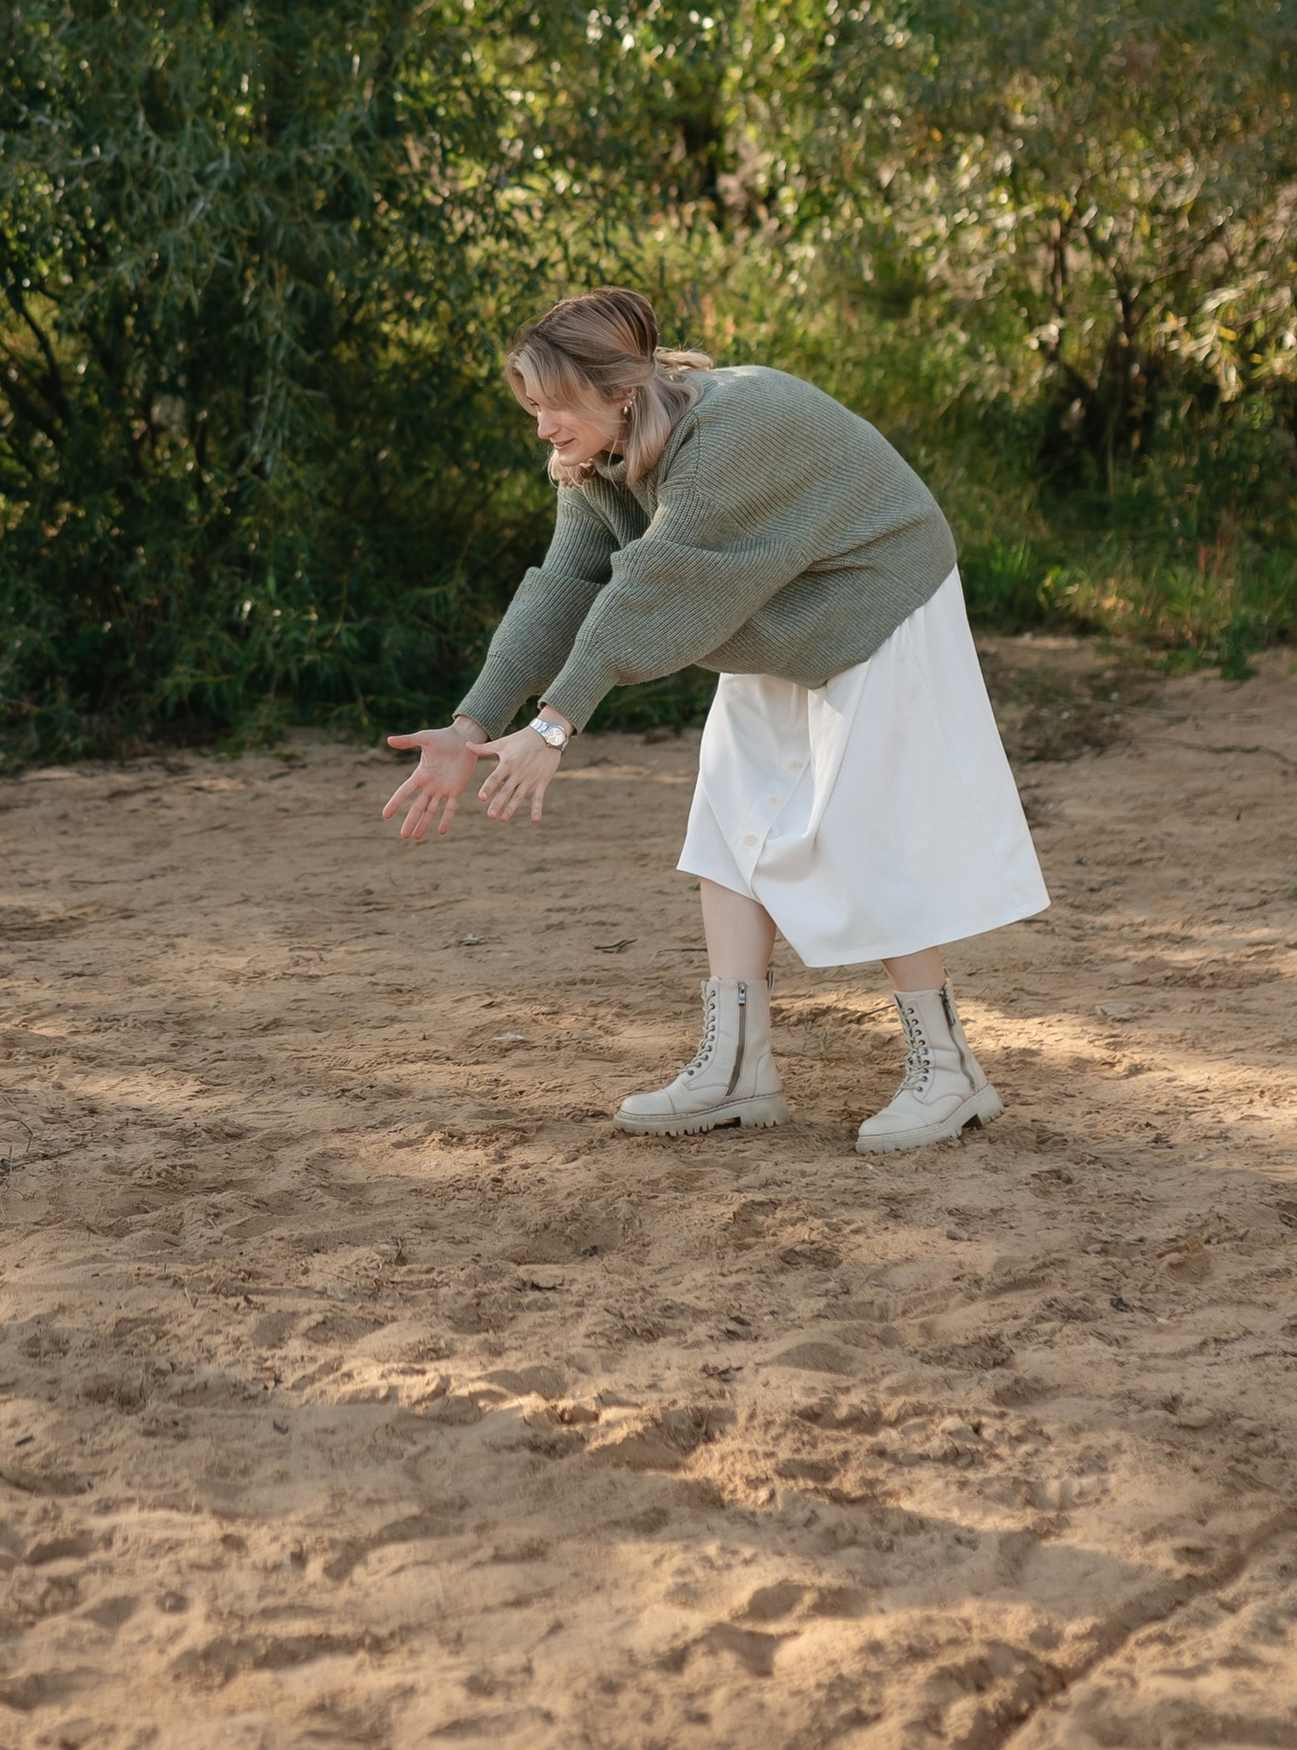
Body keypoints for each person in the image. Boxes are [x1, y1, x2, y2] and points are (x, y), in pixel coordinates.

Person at [383, 288, 1047, 1152]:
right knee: (733, 815)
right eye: (532, 406)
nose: (542, 424)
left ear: (618, 389)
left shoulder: (727, 433)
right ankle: (738, 1069)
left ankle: (951, 1071)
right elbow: (564, 585)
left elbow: (652, 587)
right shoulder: (597, 458)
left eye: (554, 403)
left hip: (880, 594)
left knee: (862, 825)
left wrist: (553, 726)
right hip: (772, 605)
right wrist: (472, 724)